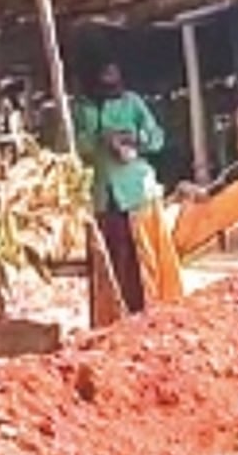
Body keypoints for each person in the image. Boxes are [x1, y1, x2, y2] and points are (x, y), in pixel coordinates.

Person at [74, 56, 183, 325]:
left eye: (114, 71)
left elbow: (156, 138)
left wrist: (134, 139)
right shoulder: (80, 108)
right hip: (101, 194)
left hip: (136, 191)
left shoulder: (132, 102)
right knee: (110, 258)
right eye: (105, 72)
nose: (111, 77)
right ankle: (113, 319)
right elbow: (72, 145)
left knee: (142, 255)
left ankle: (149, 315)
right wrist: (99, 140)